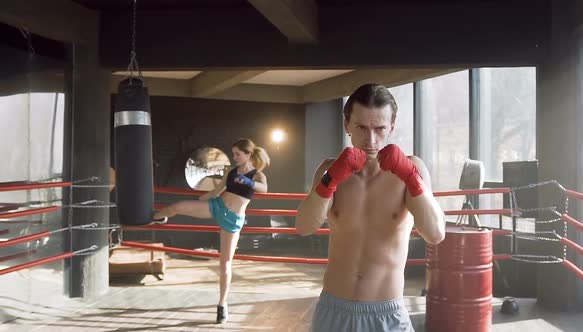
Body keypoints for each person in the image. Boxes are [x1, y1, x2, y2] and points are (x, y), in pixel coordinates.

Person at [296, 84, 445, 332]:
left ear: (392, 127)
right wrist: (330, 180)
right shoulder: (328, 170)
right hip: (334, 310)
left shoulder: (412, 168)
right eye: (361, 128)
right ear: (347, 124)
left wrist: (411, 177)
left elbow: (436, 234)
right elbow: (303, 226)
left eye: (380, 129)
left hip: (387, 313)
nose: (371, 140)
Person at [154, 138, 270, 324]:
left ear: (248, 154)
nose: (234, 157)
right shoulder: (231, 172)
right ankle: (154, 218)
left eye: (237, 154)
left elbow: (264, 189)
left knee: (225, 264)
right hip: (216, 207)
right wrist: (199, 199)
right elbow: (216, 192)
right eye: (233, 154)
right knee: (177, 206)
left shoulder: (257, 176)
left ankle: (222, 305)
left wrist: (247, 182)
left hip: (232, 220)